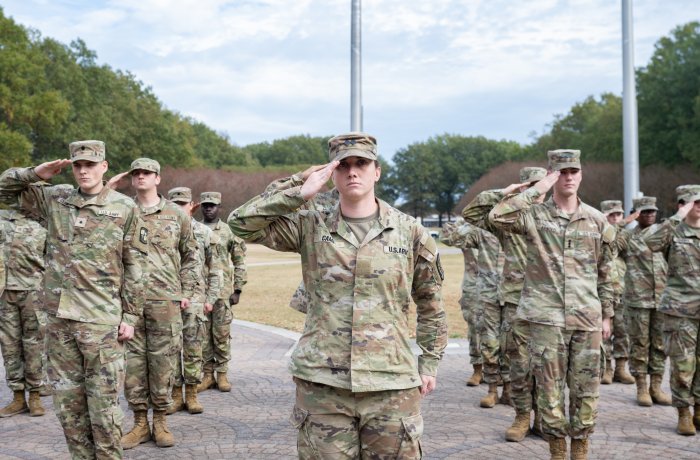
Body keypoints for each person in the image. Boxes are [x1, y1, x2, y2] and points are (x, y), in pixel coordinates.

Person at [229, 132, 447, 458]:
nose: (352, 172)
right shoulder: (310, 222)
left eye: (362, 163)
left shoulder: (409, 230)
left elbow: (430, 302)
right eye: (343, 165)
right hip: (323, 385)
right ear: (331, 172)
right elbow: (241, 224)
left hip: (391, 384)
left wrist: (428, 362)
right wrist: (298, 188)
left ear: (377, 171)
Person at [0, 140, 147, 459]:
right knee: (69, 410)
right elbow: (4, 190)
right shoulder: (56, 198)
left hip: (101, 324)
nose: (83, 171)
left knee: (104, 413)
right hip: (59, 323)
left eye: (90, 165)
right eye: (78, 165)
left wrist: (131, 317)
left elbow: (135, 264)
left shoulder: (124, 207)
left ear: (103, 166)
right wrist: (35, 173)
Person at [489, 149, 615, 460]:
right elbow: (497, 216)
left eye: (573, 171)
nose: (568, 177)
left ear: (581, 174)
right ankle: (557, 450)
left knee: (587, 389)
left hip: (587, 318)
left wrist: (608, 315)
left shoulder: (597, 221)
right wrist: (537, 190)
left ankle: (581, 448)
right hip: (546, 319)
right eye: (561, 172)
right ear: (551, 174)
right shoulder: (534, 215)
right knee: (549, 391)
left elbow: (605, 272)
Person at [119, 158, 200, 449]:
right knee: (133, 365)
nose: (141, 177)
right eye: (136, 173)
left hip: (165, 300)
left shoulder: (176, 215)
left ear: (158, 179)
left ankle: (161, 421)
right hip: (128, 302)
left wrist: (187, 290)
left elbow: (191, 253)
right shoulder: (122, 211)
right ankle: (140, 423)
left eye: (147, 173)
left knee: (163, 363)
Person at [462, 166, 548, 442]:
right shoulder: (507, 220)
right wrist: (504, 193)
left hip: (550, 301)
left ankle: (545, 418)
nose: (538, 191)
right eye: (532, 186)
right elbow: (472, 214)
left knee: (548, 364)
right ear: (524, 188)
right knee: (519, 362)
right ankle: (522, 416)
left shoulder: (557, 216)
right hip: (516, 299)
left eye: (541, 185)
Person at [642, 186, 700, 435]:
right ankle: (683, 412)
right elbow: (649, 241)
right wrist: (678, 216)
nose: (698, 206)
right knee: (682, 365)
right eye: (693, 202)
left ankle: (699, 408)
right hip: (680, 309)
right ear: (682, 203)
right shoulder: (673, 230)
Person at [166, 187, 225, 415]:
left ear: (192, 206)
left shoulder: (204, 233)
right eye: (175, 204)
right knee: (171, 350)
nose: (179, 208)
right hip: (168, 300)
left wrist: (211, 297)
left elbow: (216, 268)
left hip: (196, 300)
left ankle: (191, 394)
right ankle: (174, 395)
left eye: (183, 204)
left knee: (193, 349)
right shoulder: (161, 231)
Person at [613, 196, 671, 406]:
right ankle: (642, 387)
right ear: (636, 214)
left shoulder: (664, 235)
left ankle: (656, 387)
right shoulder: (628, 237)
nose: (649, 215)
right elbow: (607, 241)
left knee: (660, 345)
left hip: (662, 299)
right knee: (639, 344)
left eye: (652, 211)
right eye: (644, 212)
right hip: (638, 300)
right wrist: (624, 221)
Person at [0, 205, 48, 417]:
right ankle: (18, 397)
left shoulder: (44, 223)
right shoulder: (2, 222)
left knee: (34, 344)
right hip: (5, 291)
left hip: (34, 291)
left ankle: (35, 395)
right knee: (9, 345)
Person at [198, 191, 247, 392]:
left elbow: (239, 261)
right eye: (205, 205)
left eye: (213, 205)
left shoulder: (228, 231)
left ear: (219, 207)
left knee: (221, 334)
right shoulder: (195, 229)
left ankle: (222, 374)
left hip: (222, 292)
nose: (209, 208)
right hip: (200, 291)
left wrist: (238, 289)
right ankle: (207, 375)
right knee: (202, 336)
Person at [440, 219, 483, 386]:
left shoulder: (501, 224)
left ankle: (498, 372)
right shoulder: (468, 228)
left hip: (499, 287)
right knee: (474, 329)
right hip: (473, 287)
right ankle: (478, 369)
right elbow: (447, 235)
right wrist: (469, 222)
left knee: (501, 332)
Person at [598, 200, 634, 385]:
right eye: (610, 215)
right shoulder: (597, 232)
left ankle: (621, 368)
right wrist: (623, 222)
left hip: (622, 290)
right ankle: (607, 368)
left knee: (623, 331)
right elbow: (609, 248)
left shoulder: (626, 235)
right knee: (604, 332)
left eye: (618, 215)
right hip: (603, 292)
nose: (615, 218)